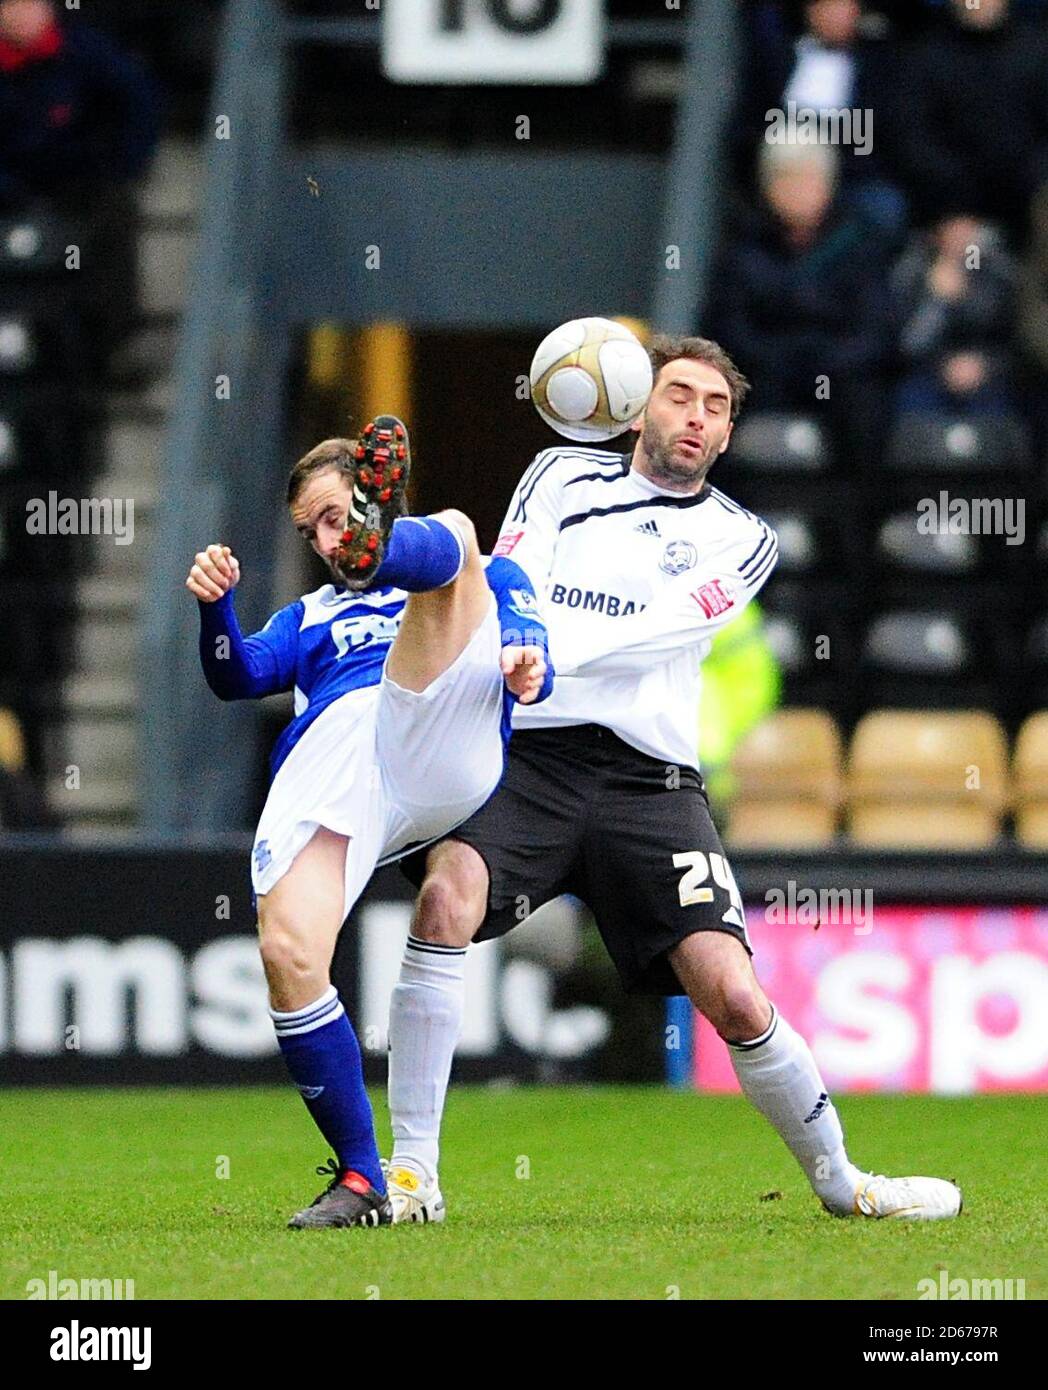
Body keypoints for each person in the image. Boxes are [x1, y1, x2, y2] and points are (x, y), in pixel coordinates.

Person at [388, 339, 962, 1227]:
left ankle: (846, 1183)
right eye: (679, 397)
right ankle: (414, 1175)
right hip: (526, 757)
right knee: (444, 900)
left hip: (647, 784)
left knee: (732, 992)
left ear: (728, 434)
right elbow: (514, 568)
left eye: (715, 409)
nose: (696, 417)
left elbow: (661, 627)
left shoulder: (744, 537)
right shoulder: (560, 475)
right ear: (636, 407)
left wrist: (548, 648)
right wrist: (521, 630)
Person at [187, 418, 552, 1229]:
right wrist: (216, 610)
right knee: (287, 952)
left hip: (436, 729)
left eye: (334, 516)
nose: (321, 541)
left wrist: (528, 657)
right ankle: (363, 1180)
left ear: (372, 495)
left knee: (457, 541)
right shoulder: (310, 617)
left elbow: (521, 612)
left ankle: (387, 544)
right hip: (344, 762)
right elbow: (238, 677)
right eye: (313, 529)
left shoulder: (477, 574)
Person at [710, 138, 894, 470]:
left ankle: (852, 515)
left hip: (838, 376)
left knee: (865, 407)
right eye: (786, 178)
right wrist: (782, 361)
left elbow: (874, 332)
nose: (798, 190)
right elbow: (729, 328)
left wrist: (823, 362)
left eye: (809, 179)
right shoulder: (744, 244)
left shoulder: (860, 244)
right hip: (766, 375)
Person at [892, 214, 1018, 417]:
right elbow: (909, 345)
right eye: (953, 230)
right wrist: (938, 302)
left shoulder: (999, 271)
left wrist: (983, 365)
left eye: (968, 229)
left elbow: (1010, 341)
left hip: (986, 372)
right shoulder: (913, 269)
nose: (960, 238)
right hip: (928, 371)